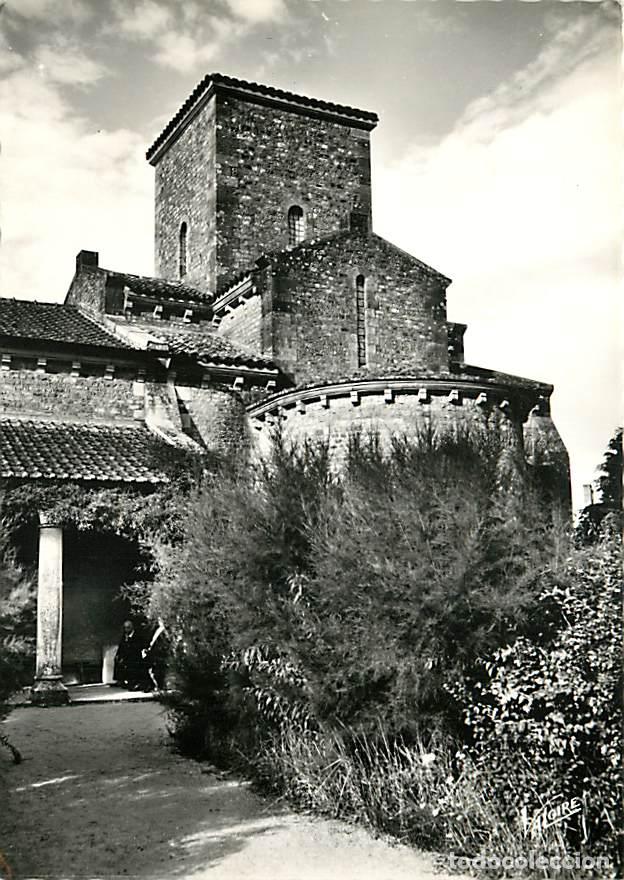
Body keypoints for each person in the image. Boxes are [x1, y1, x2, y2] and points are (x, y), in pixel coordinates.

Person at [114, 620, 146, 690]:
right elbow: (121, 646)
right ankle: (122, 681)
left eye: (128, 627)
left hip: (135, 656)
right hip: (126, 655)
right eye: (125, 628)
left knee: (132, 663)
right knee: (118, 660)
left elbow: (138, 647)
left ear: (132, 627)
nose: (126, 629)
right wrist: (119, 655)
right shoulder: (125, 636)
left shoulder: (137, 636)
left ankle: (134, 682)